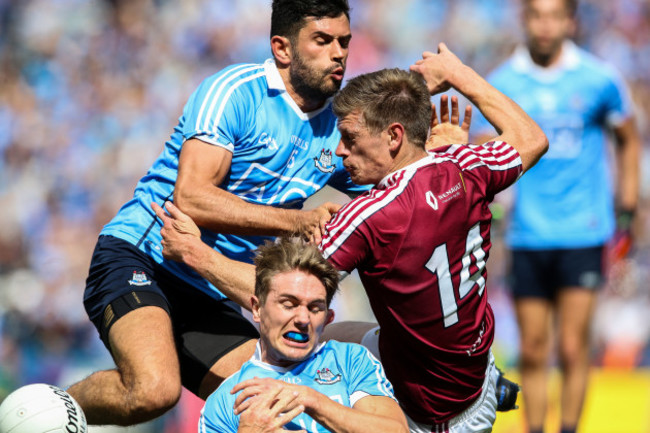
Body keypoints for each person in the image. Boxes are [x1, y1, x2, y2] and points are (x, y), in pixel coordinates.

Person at [153, 43, 548, 432]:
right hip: (472, 362)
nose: (340, 151)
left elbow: (283, 292)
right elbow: (531, 138)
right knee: (338, 336)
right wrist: (458, 74)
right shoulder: (465, 163)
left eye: (351, 138)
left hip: (431, 409)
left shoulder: (370, 216)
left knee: (299, 345)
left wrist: (196, 254)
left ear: (394, 137)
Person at [66, 0, 371, 426]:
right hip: (146, 256)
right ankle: (52, 407)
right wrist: (296, 221)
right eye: (322, 40)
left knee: (277, 404)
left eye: (344, 41)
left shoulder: (338, 130)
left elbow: (395, 192)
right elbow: (191, 198)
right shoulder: (235, 91)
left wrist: (434, 153)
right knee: (154, 392)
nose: (339, 53)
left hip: (210, 286)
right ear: (283, 48)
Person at [473, 1, 641, 432]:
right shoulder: (504, 82)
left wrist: (626, 205)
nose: (545, 25)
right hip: (529, 233)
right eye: (536, 15)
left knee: (571, 346)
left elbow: (627, 137)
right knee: (531, 348)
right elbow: (481, 148)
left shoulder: (599, 78)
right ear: (524, 20)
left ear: (570, 21)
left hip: (583, 230)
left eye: (554, 15)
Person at [198, 237, 408, 433]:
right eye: (289, 304)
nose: (303, 319)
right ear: (257, 308)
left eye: (315, 308)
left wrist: (310, 400)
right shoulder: (225, 400)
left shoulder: (350, 360)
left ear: (328, 319)